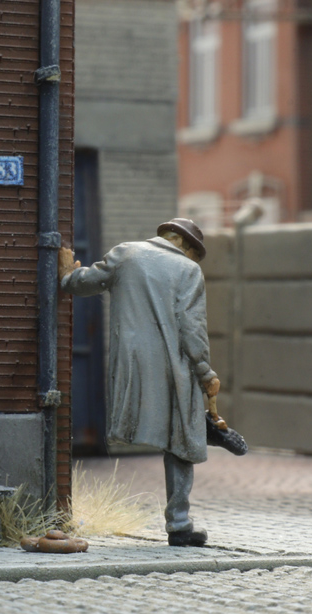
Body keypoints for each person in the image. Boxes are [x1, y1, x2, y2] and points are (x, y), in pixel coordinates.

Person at [58, 218, 218, 546]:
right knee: (183, 441)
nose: (192, 258)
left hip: (132, 363)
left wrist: (66, 275)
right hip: (175, 364)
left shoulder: (125, 253)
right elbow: (192, 327)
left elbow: (82, 283)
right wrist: (206, 372)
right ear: (184, 244)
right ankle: (179, 525)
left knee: (159, 430)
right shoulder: (189, 271)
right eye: (194, 252)